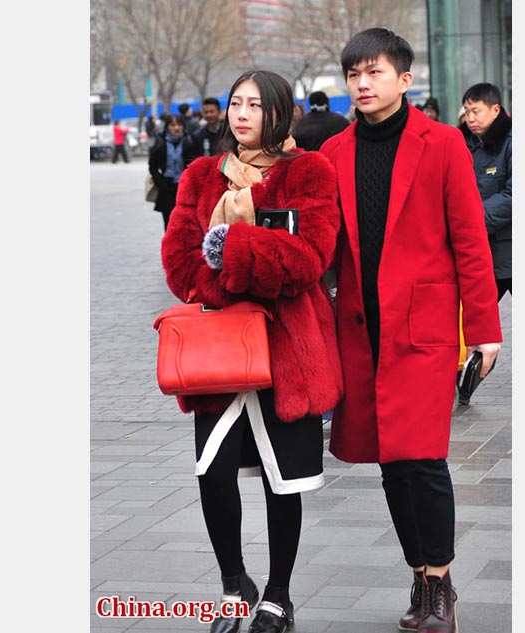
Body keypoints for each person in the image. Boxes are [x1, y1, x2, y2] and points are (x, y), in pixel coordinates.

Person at [319, 28, 502, 633]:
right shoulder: (335, 152)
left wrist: (485, 329)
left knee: (422, 459)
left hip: (423, 327)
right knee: (391, 463)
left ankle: (440, 584)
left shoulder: (443, 143)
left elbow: (470, 241)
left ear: (405, 79)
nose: (362, 84)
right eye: (353, 74)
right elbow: (325, 246)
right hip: (360, 329)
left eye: (374, 72)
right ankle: (421, 576)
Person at [161, 69, 343, 633]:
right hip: (220, 351)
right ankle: (233, 585)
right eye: (236, 103)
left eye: (255, 105)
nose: (241, 114)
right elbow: (180, 263)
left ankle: (278, 597)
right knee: (212, 473)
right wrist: (238, 270)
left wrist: (230, 247)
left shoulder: (309, 172)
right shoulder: (200, 175)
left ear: (279, 112)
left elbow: (310, 257)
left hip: (288, 350)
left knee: (280, 479)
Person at [459, 83, 512, 301]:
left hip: (508, 250)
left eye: (476, 111)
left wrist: (472, 218)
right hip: (478, 251)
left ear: (495, 109)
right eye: (467, 112)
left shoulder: (511, 143)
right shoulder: (464, 144)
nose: (470, 118)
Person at [148, 114, 190, 229]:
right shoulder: (160, 142)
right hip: (167, 186)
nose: (176, 128)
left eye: (179, 125)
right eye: (172, 125)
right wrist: (160, 182)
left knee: (185, 224)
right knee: (169, 223)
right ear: (167, 127)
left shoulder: (188, 141)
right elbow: (152, 165)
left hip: (185, 187)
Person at [184, 96, 225, 164]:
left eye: (212, 112)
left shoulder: (228, 132)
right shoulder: (197, 136)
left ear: (219, 112)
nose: (209, 115)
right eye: (206, 112)